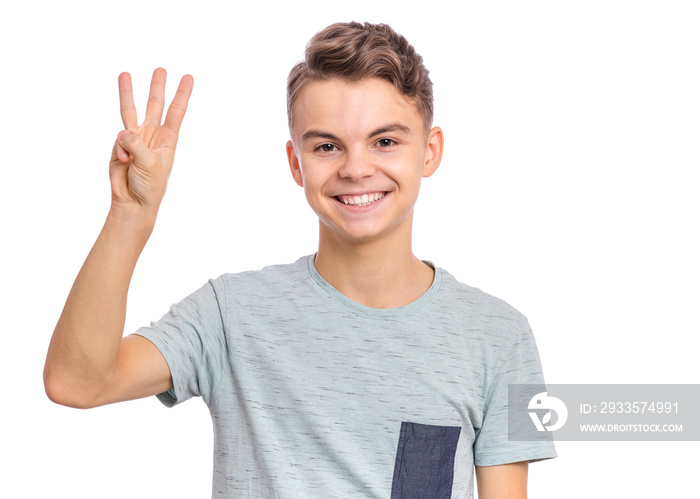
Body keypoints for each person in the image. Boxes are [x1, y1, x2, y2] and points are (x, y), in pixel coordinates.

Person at [44, 21, 555, 498]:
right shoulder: (230, 314)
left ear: (429, 151)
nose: (356, 169)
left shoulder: (501, 337)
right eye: (328, 146)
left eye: (385, 141)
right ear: (296, 163)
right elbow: (76, 381)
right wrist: (130, 215)